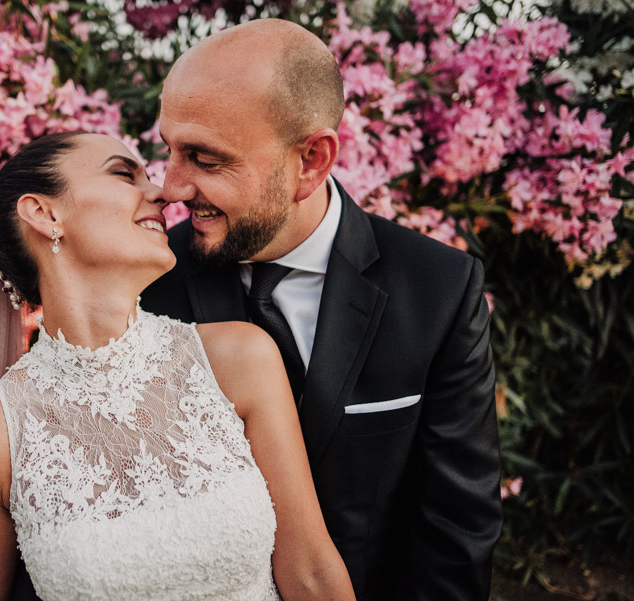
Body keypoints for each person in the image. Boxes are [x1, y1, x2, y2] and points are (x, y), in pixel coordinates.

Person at [138, 18, 504, 601]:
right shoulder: (145, 285)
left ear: (311, 159)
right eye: (170, 150)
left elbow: (457, 525)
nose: (172, 188)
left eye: (205, 159)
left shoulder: (438, 288)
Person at [0, 131, 357, 601]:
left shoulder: (239, 360)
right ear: (44, 213)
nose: (162, 192)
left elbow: (311, 573)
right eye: (123, 174)